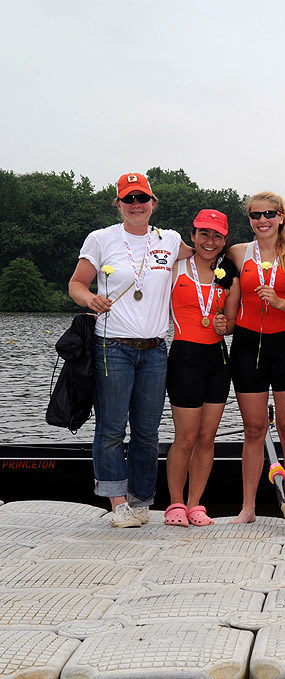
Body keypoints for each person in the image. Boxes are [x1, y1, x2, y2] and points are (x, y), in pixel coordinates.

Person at [68, 172, 184, 528]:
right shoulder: (101, 238)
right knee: (113, 427)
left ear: (153, 204)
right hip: (112, 346)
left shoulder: (171, 240)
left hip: (155, 349)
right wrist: (90, 298)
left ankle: (142, 499)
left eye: (142, 199)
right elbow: (76, 284)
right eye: (129, 199)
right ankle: (118, 503)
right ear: (118, 204)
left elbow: (210, 251)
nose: (136, 205)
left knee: (148, 431)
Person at [226, 191, 285, 526]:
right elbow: (205, 258)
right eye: (255, 215)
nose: (262, 220)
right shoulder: (238, 253)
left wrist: (279, 302)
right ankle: (248, 508)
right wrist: (225, 321)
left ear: (281, 216)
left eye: (269, 214)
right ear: (249, 220)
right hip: (249, 347)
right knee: (253, 429)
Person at [164, 209, 239, 527]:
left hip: (218, 360)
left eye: (217, 236)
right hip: (184, 358)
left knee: (207, 438)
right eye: (204, 234)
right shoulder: (175, 267)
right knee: (185, 437)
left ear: (225, 240)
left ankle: (196, 505)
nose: (210, 241)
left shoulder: (230, 273)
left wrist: (225, 324)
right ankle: (175, 504)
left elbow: (232, 324)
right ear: (192, 235)